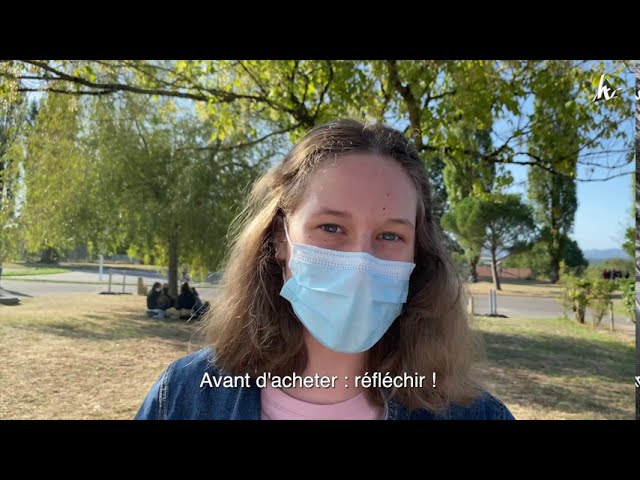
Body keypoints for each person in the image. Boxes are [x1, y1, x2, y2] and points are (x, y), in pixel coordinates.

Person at [135, 119, 515, 420]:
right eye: (331, 228)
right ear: (280, 239)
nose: (361, 264)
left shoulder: (477, 415)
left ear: (419, 253)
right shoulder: (183, 398)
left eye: (390, 235)